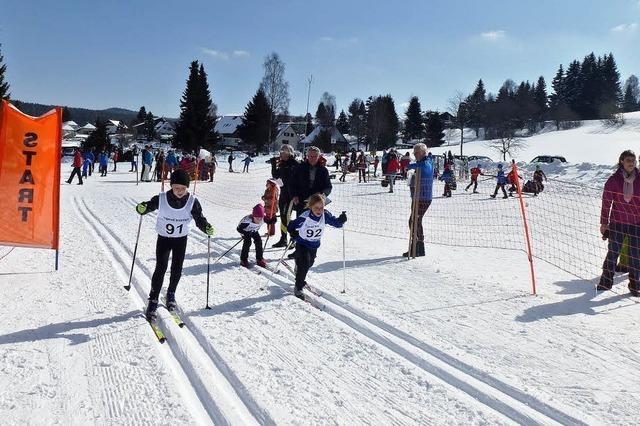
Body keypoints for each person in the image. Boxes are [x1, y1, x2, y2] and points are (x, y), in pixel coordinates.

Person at [135, 169, 215, 319]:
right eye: (176, 188)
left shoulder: (192, 201)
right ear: (171, 186)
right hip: (164, 239)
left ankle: (171, 294)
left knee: (177, 268)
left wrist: (206, 227)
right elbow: (150, 205)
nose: (179, 191)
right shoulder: (162, 198)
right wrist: (143, 208)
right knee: (161, 267)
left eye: (183, 188)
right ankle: (153, 298)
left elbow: (199, 219)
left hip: (181, 239)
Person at [287, 194, 347, 299]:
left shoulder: (325, 215)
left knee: (310, 263)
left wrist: (341, 220)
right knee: (305, 264)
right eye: (316, 208)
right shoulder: (305, 216)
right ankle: (298, 286)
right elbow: (291, 226)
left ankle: (298, 262)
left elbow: (336, 223)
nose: (319, 210)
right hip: (303, 243)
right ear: (310, 207)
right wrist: (293, 233)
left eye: (321, 208)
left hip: (314, 244)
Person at [598, 150, 640, 296]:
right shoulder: (613, 180)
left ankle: (635, 285)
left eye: (633, 161)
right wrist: (604, 223)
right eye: (628, 160)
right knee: (613, 252)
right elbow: (606, 203)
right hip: (617, 222)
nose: (631, 163)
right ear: (622, 161)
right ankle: (605, 281)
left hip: (636, 223)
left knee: (635, 255)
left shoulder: (639, 179)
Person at [404, 143, 434, 257]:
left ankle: (418, 247)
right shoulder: (422, 163)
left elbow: (423, 167)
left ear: (422, 152)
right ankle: (416, 247)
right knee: (414, 220)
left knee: (415, 220)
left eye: (417, 153)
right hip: (417, 196)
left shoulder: (426, 163)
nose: (415, 155)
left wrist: (411, 166)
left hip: (424, 197)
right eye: (414, 153)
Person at [272, 144, 300, 248]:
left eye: (282, 153)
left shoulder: (295, 164)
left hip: (291, 195)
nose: (280, 154)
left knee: (287, 217)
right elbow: (276, 176)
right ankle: (283, 239)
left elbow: (295, 180)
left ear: (288, 153)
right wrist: (273, 164)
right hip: (283, 193)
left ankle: (293, 239)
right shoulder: (282, 164)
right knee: (283, 217)